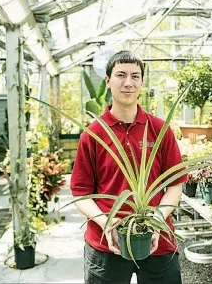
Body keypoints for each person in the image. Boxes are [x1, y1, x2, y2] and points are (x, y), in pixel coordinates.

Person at [70, 50, 186, 284]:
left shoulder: (159, 129)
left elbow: (176, 184)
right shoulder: (94, 134)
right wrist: (107, 223)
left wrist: (157, 221)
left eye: (135, 76)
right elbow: (80, 193)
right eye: (121, 75)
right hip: (106, 242)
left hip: (157, 239)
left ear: (142, 82)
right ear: (108, 81)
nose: (128, 83)